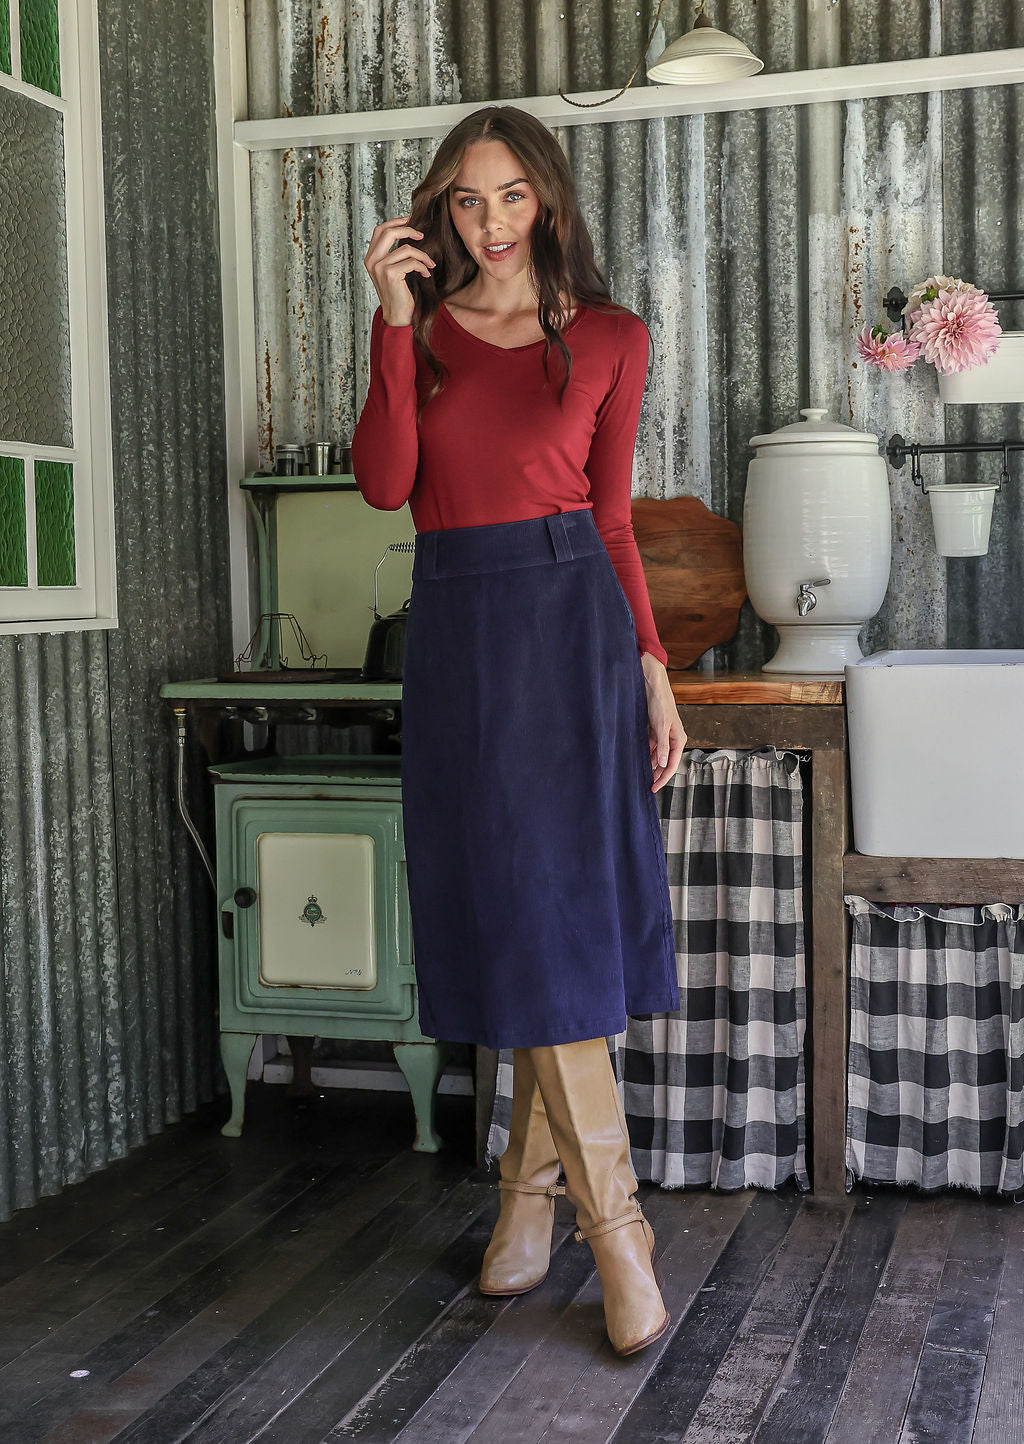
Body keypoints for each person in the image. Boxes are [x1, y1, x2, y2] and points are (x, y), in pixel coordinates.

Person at [351, 104, 687, 1357]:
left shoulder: (609, 338)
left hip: (571, 627)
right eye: (466, 202)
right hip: (459, 633)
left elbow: (609, 521)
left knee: (556, 921)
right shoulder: (422, 336)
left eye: (511, 199)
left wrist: (651, 668)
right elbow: (387, 484)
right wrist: (392, 326)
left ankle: (587, 1224)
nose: (489, 225)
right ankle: (565, 1214)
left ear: (545, 200)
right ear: (438, 213)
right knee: (515, 916)